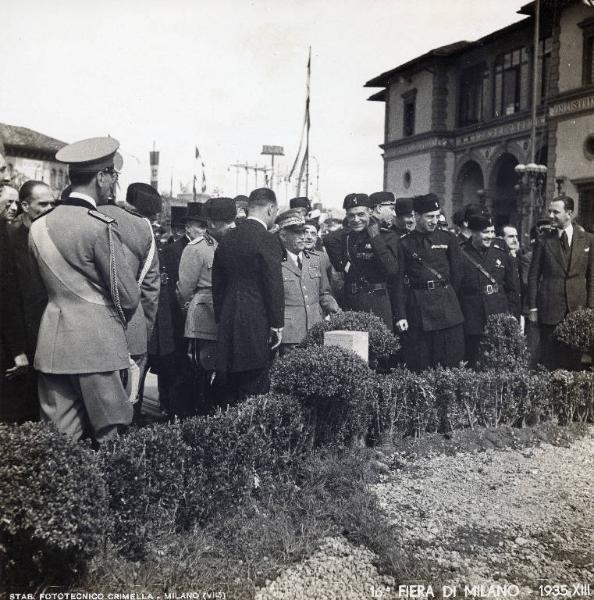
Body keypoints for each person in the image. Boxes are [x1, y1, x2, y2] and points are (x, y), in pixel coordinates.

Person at [28, 136, 140, 443]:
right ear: (101, 177)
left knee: (59, 443)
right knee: (110, 438)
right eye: (113, 176)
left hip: (52, 345)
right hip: (98, 347)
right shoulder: (99, 225)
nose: (113, 183)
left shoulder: (38, 226)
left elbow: (37, 290)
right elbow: (127, 297)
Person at [212, 187, 284, 403]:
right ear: (270, 209)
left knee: (230, 387)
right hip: (256, 321)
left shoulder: (227, 238)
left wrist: (222, 317)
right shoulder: (267, 240)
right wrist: (277, 324)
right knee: (254, 388)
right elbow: (273, 284)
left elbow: (218, 285)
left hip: (228, 319)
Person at [100, 182, 161, 421]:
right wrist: (144, 330)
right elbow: (149, 285)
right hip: (130, 323)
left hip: (87, 325)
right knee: (129, 396)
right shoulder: (142, 227)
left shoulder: (92, 212)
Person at [177, 197, 236, 412]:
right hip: (205, 319)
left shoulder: (235, 244)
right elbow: (184, 289)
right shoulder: (197, 248)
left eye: (233, 221)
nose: (231, 227)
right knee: (201, 370)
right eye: (226, 223)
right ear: (211, 224)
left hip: (230, 317)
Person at [1, 181, 54, 422]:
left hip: (48, 334)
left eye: (51, 203)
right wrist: (18, 349)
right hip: (24, 340)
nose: (49, 208)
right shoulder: (12, 239)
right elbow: (9, 298)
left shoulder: (50, 233)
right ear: (25, 205)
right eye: (42, 204)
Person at [395, 193, 465, 371]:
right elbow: (399, 282)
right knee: (421, 362)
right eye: (429, 216)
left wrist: (447, 295)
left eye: (436, 216)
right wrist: (402, 314)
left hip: (446, 308)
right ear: (416, 216)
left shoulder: (448, 239)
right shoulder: (404, 244)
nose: (434, 221)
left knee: (449, 362)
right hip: (419, 309)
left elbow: (457, 274)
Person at [528, 195, 594, 369]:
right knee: (551, 360)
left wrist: (591, 309)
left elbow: (592, 278)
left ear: (569, 213)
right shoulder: (543, 240)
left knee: (575, 361)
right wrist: (533, 308)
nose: (550, 215)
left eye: (555, 212)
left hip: (577, 310)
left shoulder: (587, 240)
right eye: (550, 211)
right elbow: (533, 276)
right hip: (549, 309)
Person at [159, 202, 207, 415]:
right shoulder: (172, 251)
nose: (204, 231)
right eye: (200, 226)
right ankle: (172, 408)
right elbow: (171, 288)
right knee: (177, 366)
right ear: (188, 227)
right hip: (178, 317)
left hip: (199, 318)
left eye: (206, 227)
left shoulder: (208, 248)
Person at [325, 193, 399, 331]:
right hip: (352, 301)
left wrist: (374, 235)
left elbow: (391, 269)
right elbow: (329, 239)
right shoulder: (347, 237)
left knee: (378, 348)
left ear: (370, 212)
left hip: (377, 302)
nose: (356, 219)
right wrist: (350, 228)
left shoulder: (386, 236)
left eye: (361, 214)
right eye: (351, 215)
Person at [459, 214, 520, 366]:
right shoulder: (461, 253)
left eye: (492, 232)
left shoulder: (500, 251)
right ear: (473, 232)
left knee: (498, 363)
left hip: (498, 314)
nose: (490, 236)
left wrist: (512, 314)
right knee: (473, 362)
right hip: (473, 318)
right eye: (486, 232)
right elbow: (457, 290)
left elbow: (513, 288)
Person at [276, 209, 339, 354]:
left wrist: (336, 309)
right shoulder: (275, 261)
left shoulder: (314, 259)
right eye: (297, 233)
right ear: (283, 235)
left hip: (316, 330)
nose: (304, 237)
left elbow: (324, 292)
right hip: (290, 334)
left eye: (304, 232)